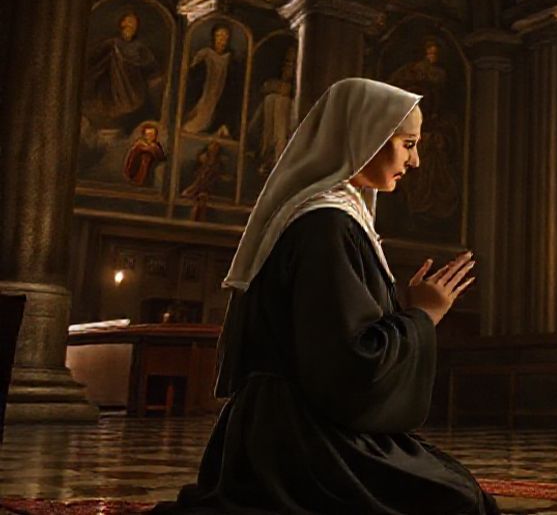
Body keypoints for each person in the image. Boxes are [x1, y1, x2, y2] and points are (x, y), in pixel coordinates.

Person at [155, 78, 498, 514]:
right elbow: (347, 364)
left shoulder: (337, 217)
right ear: (366, 137)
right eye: (408, 143)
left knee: (454, 486)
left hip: (299, 425)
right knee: (458, 502)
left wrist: (408, 311)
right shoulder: (325, 225)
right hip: (299, 439)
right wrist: (422, 316)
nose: (416, 161)